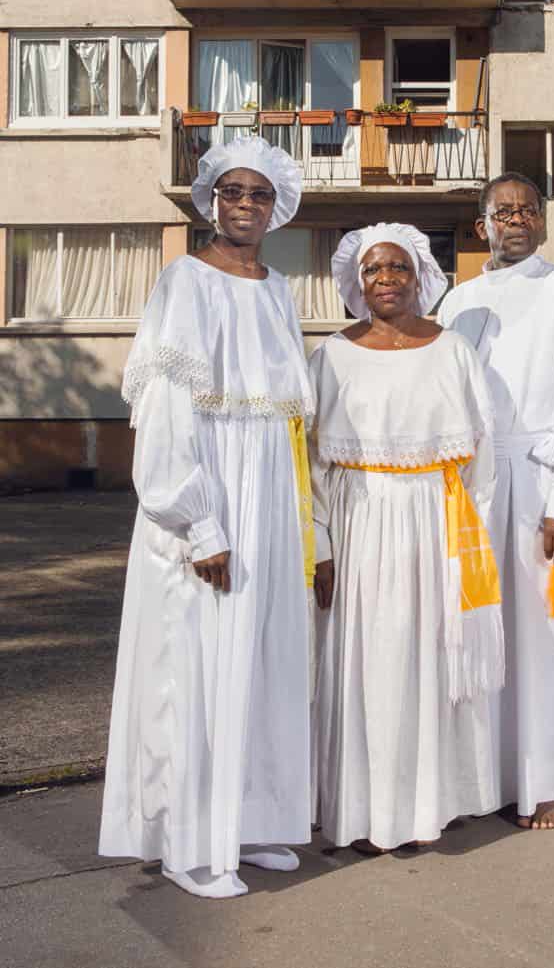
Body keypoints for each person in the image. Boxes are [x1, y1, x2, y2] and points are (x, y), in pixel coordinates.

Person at [99, 136, 316, 900]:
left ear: (277, 207)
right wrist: (200, 523)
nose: (246, 206)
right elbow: (163, 409)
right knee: (194, 662)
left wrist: (307, 525)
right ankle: (190, 842)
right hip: (213, 489)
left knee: (259, 660)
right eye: (233, 193)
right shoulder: (183, 281)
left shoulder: (279, 289)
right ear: (212, 202)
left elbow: (292, 421)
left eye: (259, 194)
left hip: (272, 495)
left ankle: (247, 822)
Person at [309, 224, 503, 854]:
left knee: (428, 661)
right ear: (355, 284)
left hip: (435, 524)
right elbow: (309, 464)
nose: (385, 279)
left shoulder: (452, 352)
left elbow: (484, 457)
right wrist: (322, 545)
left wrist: (471, 545)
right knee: (367, 666)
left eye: (397, 268)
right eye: (372, 270)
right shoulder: (331, 356)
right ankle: (364, 813)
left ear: (420, 277)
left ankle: (426, 809)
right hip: (359, 522)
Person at [438, 173, 554, 831]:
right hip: (477, 487)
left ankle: (545, 781)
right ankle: (476, 778)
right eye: (501, 212)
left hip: (543, 480)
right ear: (482, 225)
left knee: (544, 636)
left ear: (542, 220)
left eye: (526, 210)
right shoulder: (460, 301)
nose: (515, 220)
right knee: (479, 627)